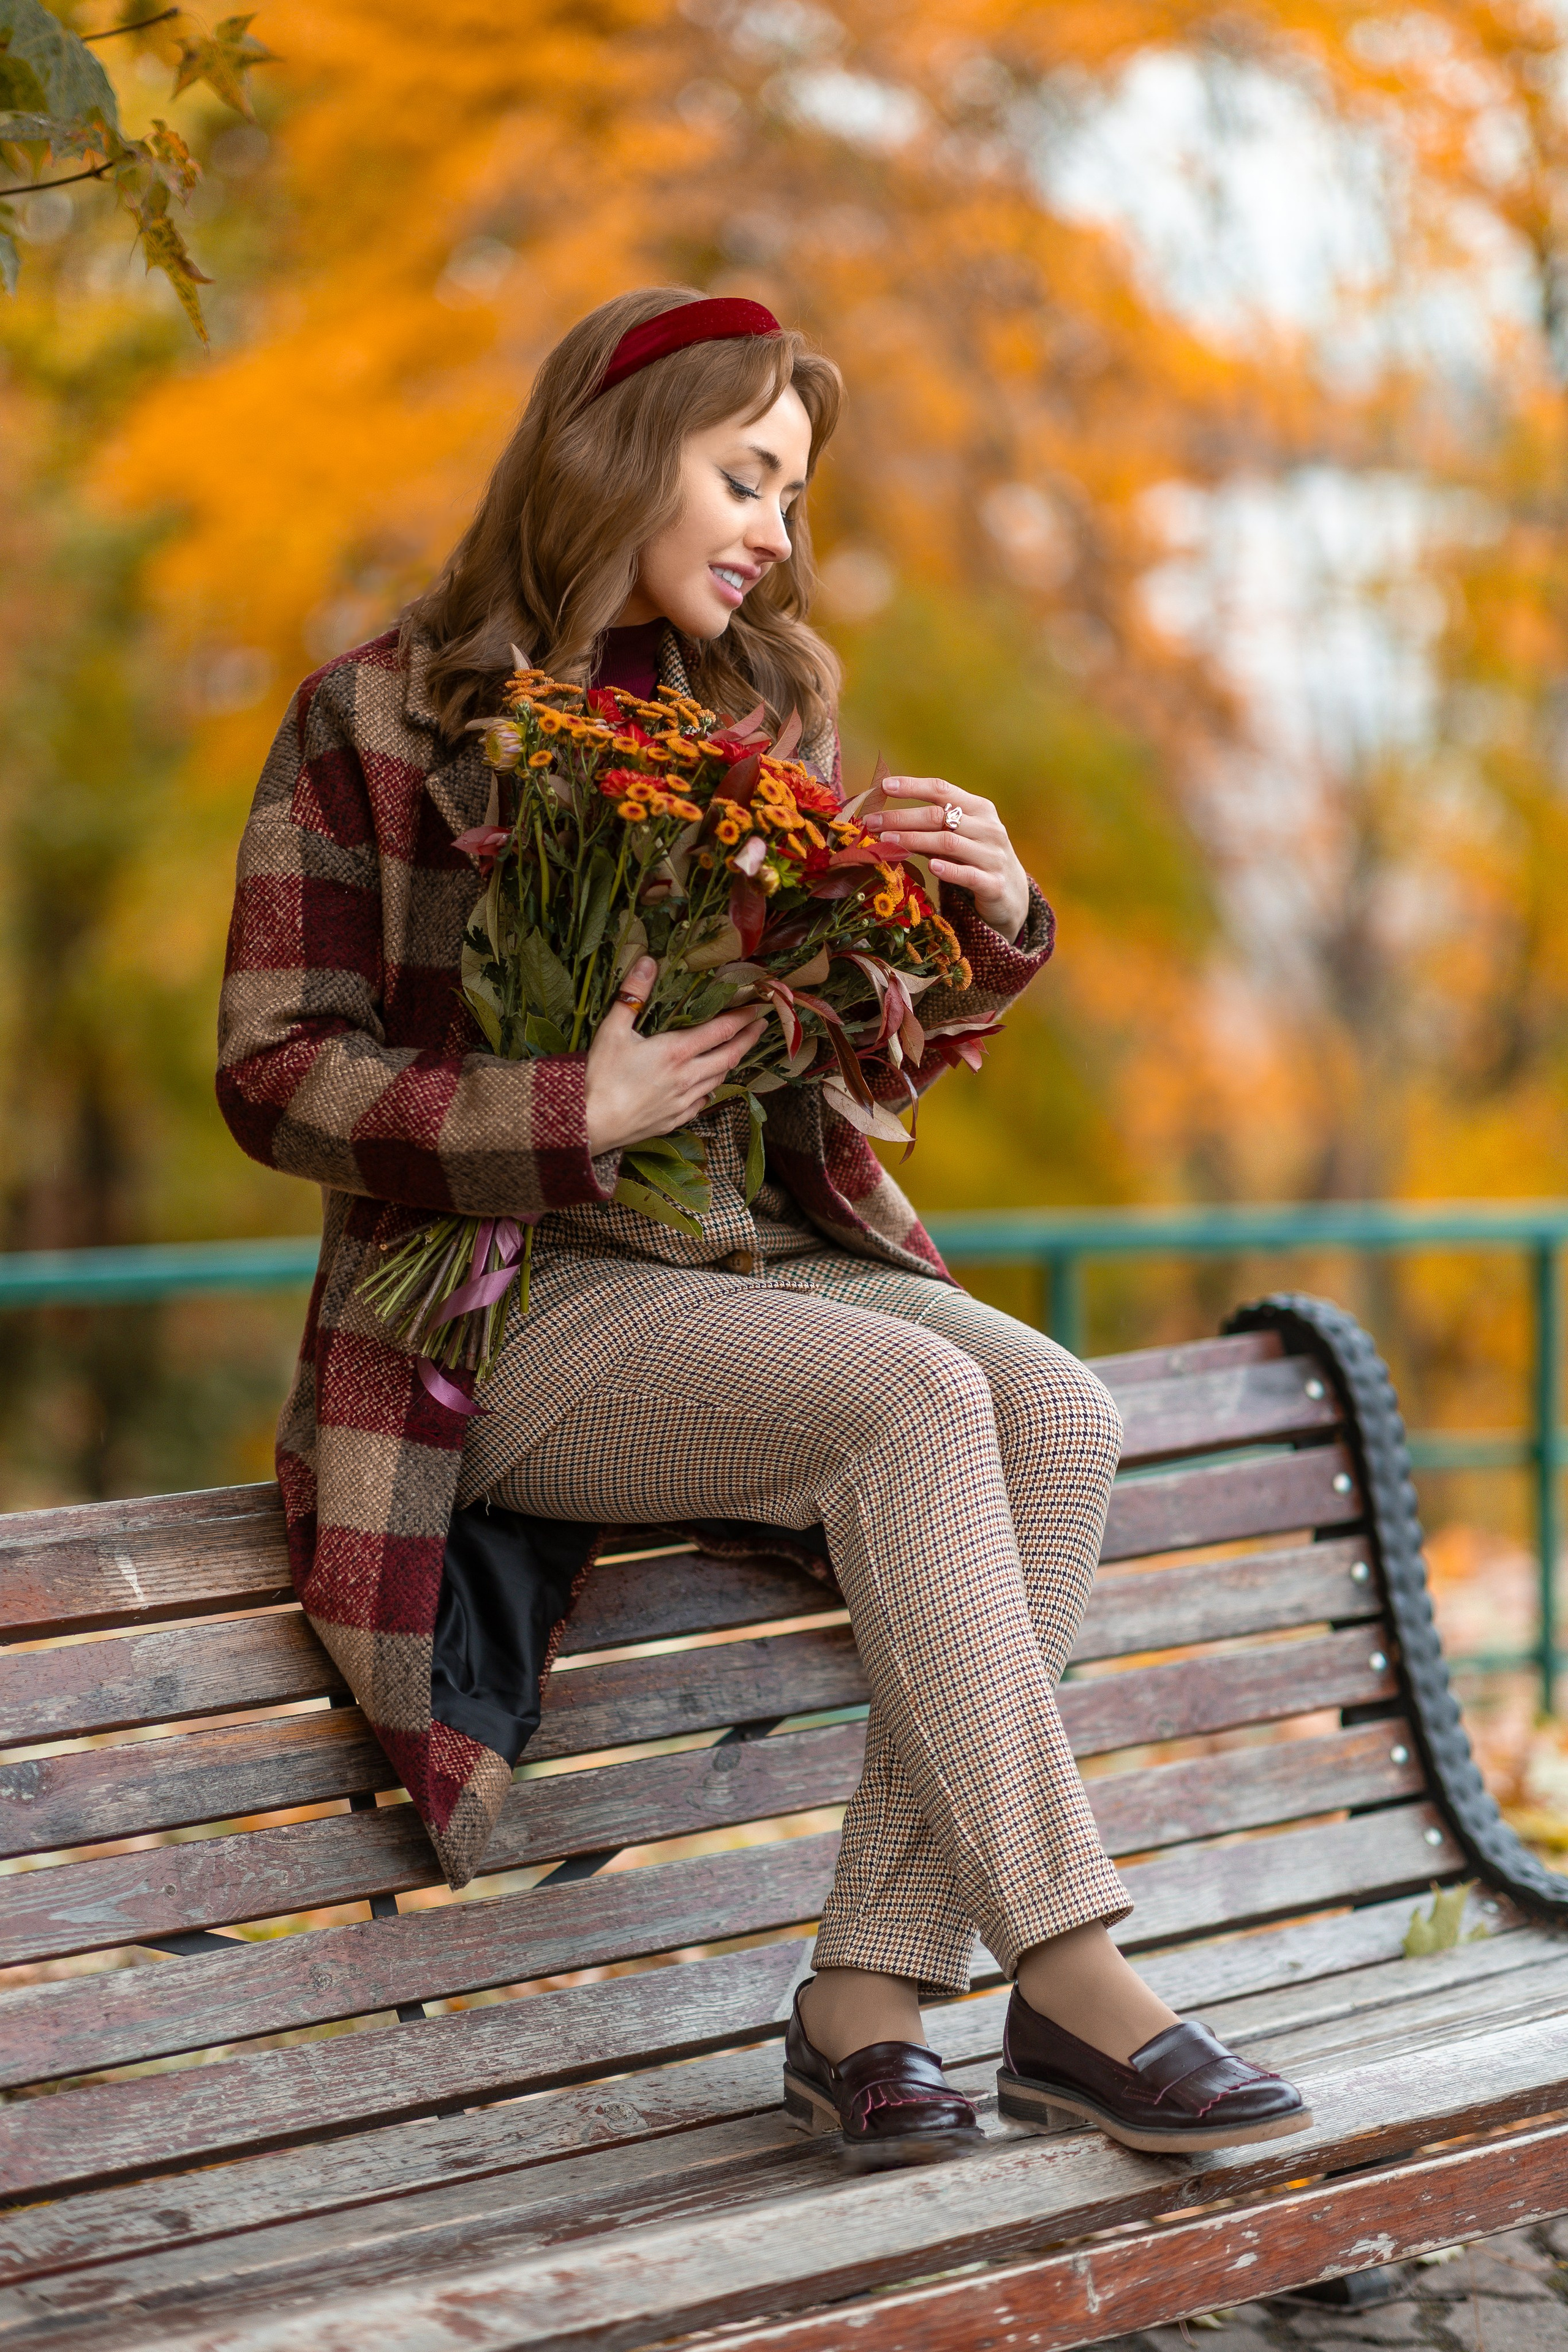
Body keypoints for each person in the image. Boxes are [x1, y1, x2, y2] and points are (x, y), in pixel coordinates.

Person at [218, 287, 1308, 2169]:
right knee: (910, 1405)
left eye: (789, 498)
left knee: (1062, 1412)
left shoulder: (753, 705)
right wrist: (573, 1110)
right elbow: (272, 1069)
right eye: (749, 480)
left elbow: (834, 1053)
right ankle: (1073, 1967)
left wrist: (969, 918)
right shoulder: (373, 722)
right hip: (500, 1297)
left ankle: (863, 2008)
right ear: (620, 454)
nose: (775, 538)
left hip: (743, 1248)